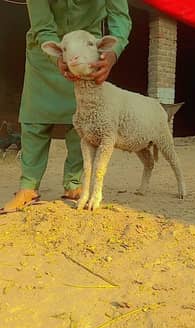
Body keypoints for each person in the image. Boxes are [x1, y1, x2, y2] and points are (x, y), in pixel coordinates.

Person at [3, 0, 132, 212]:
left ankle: (73, 183)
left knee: (81, 118)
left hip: (86, 51)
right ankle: (28, 187)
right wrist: (58, 59)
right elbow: (43, 27)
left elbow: (120, 18)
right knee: (34, 119)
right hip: (47, 50)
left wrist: (112, 53)